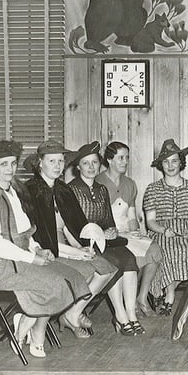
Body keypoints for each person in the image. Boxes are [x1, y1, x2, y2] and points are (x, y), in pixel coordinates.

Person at [0, 140, 93, 358]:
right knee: (54, 284)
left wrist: (37, 249)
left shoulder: (12, 192)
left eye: (13, 163)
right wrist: (30, 258)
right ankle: (35, 331)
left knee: (71, 276)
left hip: (20, 257)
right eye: (4, 164)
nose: (10, 169)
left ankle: (25, 319)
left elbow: (26, 230)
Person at [23, 140, 118, 338]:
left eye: (60, 161)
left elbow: (70, 226)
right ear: (40, 163)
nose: (58, 166)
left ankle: (71, 313)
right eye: (52, 161)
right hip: (44, 252)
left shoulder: (62, 189)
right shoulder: (30, 191)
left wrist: (82, 247)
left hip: (66, 247)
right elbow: (41, 239)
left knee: (106, 268)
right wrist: (75, 253)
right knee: (89, 270)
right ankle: (69, 316)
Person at [67, 141, 143, 336]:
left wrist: (110, 231)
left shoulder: (101, 189)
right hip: (84, 243)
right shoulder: (71, 190)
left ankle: (131, 315)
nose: (91, 167)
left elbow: (107, 219)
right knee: (115, 262)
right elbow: (72, 225)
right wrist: (85, 244)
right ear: (78, 167)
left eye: (94, 163)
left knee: (129, 259)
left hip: (105, 240)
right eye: (86, 163)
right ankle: (120, 315)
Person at [96, 141, 163, 317]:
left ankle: (141, 297)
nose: (125, 162)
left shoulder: (130, 184)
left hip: (127, 232)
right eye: (120, 158)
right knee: (129, 256)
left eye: (127, 158)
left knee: (154, 249)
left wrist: (137, 233)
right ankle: (129, 305)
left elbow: (132, 215)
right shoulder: (98, 182)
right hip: (109, 235)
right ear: (109, 160)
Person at [143, 139, 188, 315]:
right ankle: (169, 296)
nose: (170, 165)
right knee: (166, 251)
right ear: (161, 165)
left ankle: (168, 293)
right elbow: (150, 221)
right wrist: (163, 230)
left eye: (174, 161)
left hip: (186, 231)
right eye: (166, 162)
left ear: (181, 163)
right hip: (162, 230)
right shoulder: (152, 189)